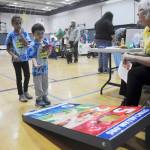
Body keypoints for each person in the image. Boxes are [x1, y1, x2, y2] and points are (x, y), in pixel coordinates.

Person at [119, 0, 150, 148]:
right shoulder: (146, 30)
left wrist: (132, 57)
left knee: (135, 73)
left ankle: (129, 111)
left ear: (147, 14)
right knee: (130, 67)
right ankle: (127, 101)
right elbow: (147, 52)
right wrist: (131, 56)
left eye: (139, 12)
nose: (137, 14)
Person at [5, 15, 32, 102]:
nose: (19, 25)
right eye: (16, 23)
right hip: (16, 60)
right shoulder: (10, 35)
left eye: (20, 23)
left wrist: (21, 35)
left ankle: (26, 91)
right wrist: (13, 55)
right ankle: (21, 94)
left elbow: (27, 44)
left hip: (25, 59)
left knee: (27, 75)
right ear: (12, 24)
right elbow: (8, 48)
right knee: (19, 77)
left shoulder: (25, 33)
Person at [29, 23, 51, 107]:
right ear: (33, 34)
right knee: (38, 84)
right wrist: (35, 64)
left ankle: (45, 96)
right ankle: (39, 99)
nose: (41, 35)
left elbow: (47, 54)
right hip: (37, 69)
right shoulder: (32, 45)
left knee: (45, 83)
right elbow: (32, 56)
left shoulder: (45, 42)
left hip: (45, 67)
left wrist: (49, 50)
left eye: (42, 33)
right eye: (38, 33)